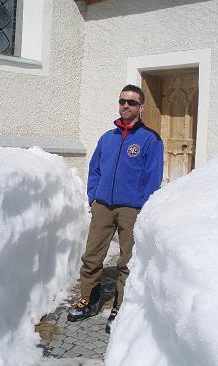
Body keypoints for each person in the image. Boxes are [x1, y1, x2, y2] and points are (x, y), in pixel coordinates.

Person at [67, 84, 164, 333]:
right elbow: (95, 169)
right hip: (103, 206)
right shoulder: (106, 139)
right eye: (122, 101)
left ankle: (120, 306)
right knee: (91, 256)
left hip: (131, 209)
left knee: (126, 260)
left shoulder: (150, 140)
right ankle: (89, 298)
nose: (126, 106)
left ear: (141, 107)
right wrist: (93, 197)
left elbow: (153, 178)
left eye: (131, 102)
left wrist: (143, 206)